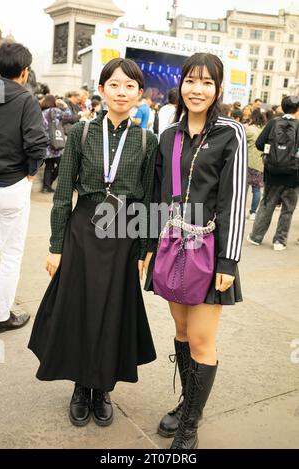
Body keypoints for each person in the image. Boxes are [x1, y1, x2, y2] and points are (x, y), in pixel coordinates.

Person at [28, 58, 158, 428]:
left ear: (138, 93)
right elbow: (62, 192)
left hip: (123, 235)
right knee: (80, 309)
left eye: (129, 86)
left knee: (112, 312)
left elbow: (149, 199)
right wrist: (56, 244)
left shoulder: (147, 140)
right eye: (114, 85)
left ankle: (102, 389)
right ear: (101, 90)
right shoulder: (81, 133)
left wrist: (144, 248)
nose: (121, 92)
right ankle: (80, 386)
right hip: (83, 230)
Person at [144, 52, 247, 449]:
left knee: (203, 340)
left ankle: (189, 428)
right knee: (182, 332)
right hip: (173, 248)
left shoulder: (230, 133)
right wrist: (151, 246)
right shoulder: (168, 135)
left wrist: (229, 260)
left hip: (211, 252)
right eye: (191, 80)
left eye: (206, 82)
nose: (197, 89)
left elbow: (234, 200)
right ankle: (188, 402)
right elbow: (158, 197)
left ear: (218, 88)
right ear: (181, 84)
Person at [0, 42, 47, 332]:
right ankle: (1, 314)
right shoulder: (25, 99)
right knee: (10, 253)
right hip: (12, 185)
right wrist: (30, 173)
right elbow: (36, 143)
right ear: (25, 71)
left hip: (11, 182)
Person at [247, 95, 299, 251]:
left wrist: (273, 154)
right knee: (287, 209)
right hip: (293, 175)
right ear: (297, 109)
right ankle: (279, 241)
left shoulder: (273, 123)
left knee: (267, 205)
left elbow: (259, 143)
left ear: (282, 108)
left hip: (272, 173)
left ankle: (256, 236)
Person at [41, 94, 71, 193]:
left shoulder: (42, 112)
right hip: (55, 142)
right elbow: (68, 116)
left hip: (46, 143)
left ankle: (46, 187)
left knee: (49, 166)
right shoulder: (54, 111)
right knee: (62, 164)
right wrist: (64, 105)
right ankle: (49, 182)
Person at [246, 109, 266, 220]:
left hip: (248, 162)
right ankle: (253, 212)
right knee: (257, 189)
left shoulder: (249, 129)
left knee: (243, 189)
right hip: (260, 164)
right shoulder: (264, 130)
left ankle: (239, 209)